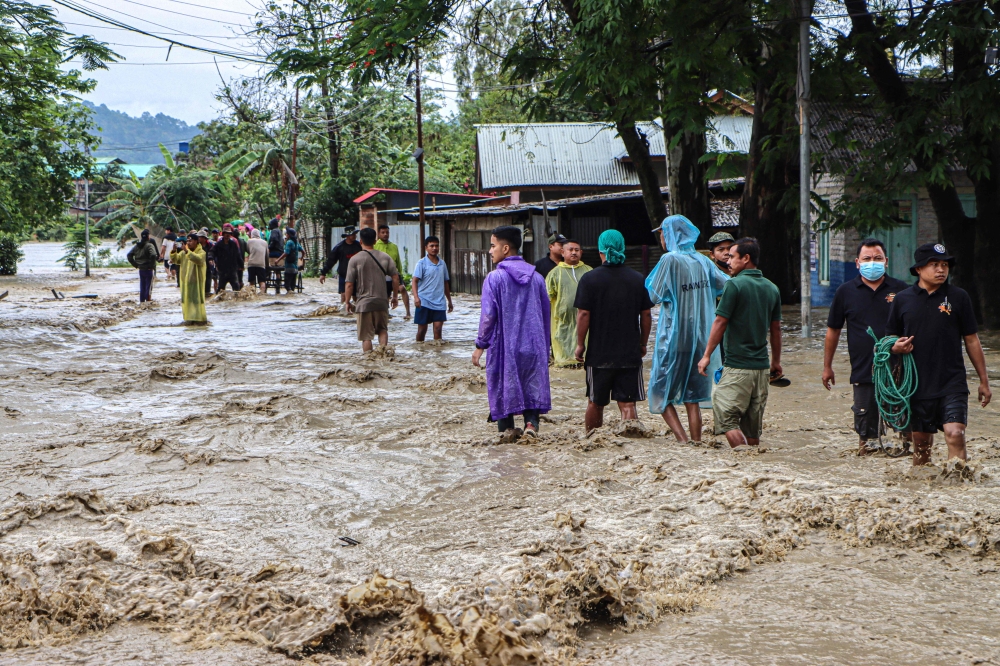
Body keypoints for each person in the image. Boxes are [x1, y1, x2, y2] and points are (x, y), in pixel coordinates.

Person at [886, 243, 991, 466]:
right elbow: (889, 339)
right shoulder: (902, 299)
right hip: (915, 384)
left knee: (955, 433)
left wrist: (984, 380)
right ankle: (924, 494)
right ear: (918, 269)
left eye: (944, 265)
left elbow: (971, 339)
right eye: (934, 265)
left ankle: (958, 487)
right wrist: (895, 347)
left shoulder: (959, 297)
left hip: (951, 381)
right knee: (921, 444)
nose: (941, 270)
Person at [646, 216, 729, 443]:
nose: (661, 238)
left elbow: (652, 295)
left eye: (663, 233)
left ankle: (682, 441)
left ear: (672, 234)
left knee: (659, 393)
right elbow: (726, 285)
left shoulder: (669, 260)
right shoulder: (702, 261)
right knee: (692, 397)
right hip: (702, 339)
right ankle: (697, 442)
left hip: (673, 338)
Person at [823, 238, 910, 455]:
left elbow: (914, 327)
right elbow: (833, 330)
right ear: (857, 262)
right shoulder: (845, 291)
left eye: (877, 258)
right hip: (863, 371)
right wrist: (827, 367)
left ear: (886, 261)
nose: (873, 262)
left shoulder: (903, 290)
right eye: (867, 258)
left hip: (900, 370)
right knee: (866, 435)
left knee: (906, 427)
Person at [697, 237, 782, 449]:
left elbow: (720, 321)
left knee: (726, 418)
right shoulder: (772, 288)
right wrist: (776, 363)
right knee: (752, 429)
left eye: (733, 257)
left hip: (737, 367)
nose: (728, 261)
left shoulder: (733, 285)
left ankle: (743, 460)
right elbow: (776, 330)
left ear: (746, 259)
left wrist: (707, 355)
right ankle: (753, 466)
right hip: (761, 369)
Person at [473, 225, 551, 438]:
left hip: (505, 347)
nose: (490, 251)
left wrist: (480, 345)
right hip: (534, 346)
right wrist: (546, 347)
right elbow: (546, 316)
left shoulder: (494, 278)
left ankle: (507, 433)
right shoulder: (537, 278)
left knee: (502, 388)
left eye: (493, 245)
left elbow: (488, 316)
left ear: (505, 248)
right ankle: (531, 425)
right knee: (531, 387)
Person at [573, 229, 652, 431]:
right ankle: (632, 442)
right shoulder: (637, 279)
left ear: (601, 252)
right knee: (628, 403)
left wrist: (580, 344)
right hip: (629, 352)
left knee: (595, 402)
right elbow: (646, 315)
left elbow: (583, 315)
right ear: (622, 249)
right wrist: (643, 343)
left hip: (599, 354)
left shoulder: (589, 279)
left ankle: (592, 441)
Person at [345, 227, 400, 351]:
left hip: (364, 303)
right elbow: (395, 277)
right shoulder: (385, 257)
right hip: (381, 301)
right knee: (382, 330)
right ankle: (384, 354)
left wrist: (347, 302)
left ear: (360, 242)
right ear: (375, 241)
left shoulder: (355, 259)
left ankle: (369, 363)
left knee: (366, 336)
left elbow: (349, 284)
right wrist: (395, 297)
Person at [545, 239, 591, 366]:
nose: (574, 252)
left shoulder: (589, 271)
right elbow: (545, 299)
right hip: (562, 322)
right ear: (562, 252)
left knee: (586, 360)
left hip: (586, 320)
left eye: (576, 250)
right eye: (570, 250)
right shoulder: (554, 274)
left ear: (581, 252)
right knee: (564, 362)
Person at [412, 235, 453, 341]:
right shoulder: (421, 263)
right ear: (426, 247)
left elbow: (445, 283)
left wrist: (449, 301)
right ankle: (419, 351)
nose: (434, 248)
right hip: (424, 301)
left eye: (436, 246)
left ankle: (438, 354)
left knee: (438, 329)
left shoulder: (442, 264)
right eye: (432, 246)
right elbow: (414, 281)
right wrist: (416, 297)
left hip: (439, 302)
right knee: (422, 330)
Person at [374, 224, 412, 319]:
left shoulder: (394, 246)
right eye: (383, 232)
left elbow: (398, 261)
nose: (385, 234)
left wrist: (401, 274)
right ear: (378, 234)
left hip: (395, 273)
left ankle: (408, 312)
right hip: (381, 275)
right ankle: (386, 313)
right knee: (385, 294)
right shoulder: (375, 246)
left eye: (387, 232)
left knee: (402, 288)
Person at [320, 226, 362, 307]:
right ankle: (343, 313)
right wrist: (323, 273)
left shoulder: (359, 246)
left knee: (357, 297)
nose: (354, 236)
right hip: (344, 275)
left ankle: (357, 313)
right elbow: (331, 261)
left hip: (357, 275)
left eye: (355, 234)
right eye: (352, 234)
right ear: (347, 236)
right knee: (344, 296)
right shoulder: (339, 247)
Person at [175, 234, 207, 324]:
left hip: (197, 283)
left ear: (196, 241)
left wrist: (187, 252)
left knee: (197, 302)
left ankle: (200, 320)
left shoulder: (202, 252)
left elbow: (198, 259)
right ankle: (189, 320)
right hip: (186, 283)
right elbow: (176, 260)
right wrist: (174, 251)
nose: (188, 243)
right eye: (187, 241)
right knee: (188, 302)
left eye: (190, 241)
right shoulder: (184, 253)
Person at [126, 229, 159, 303]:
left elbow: (129, 255)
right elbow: (153, 254)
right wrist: (152, 265)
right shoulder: (149, 245)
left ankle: (142, 301)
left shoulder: (137, 246)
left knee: (142, 286)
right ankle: (148, 302)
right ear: (148, 237)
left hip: (141, 269)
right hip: (149, 269)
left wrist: (135, 264)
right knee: (149, 287)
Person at [213, 223, 244, 293]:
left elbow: (238, 255)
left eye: (229, 234)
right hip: (222, 270)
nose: (227, 235)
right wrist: (212, 260)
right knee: (221, 289)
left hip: (232, 269)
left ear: (231, 235)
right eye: (226, 234)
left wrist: (241, 265)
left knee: (236, 289)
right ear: (223, 234)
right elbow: (213, 252)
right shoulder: (219, 244)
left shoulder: (233, 244)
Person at [277, 228, 303, 295]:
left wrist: (278, 260)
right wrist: (302, 257)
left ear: (289, 235)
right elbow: (303, 251)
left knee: (287, 285)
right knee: (292, 286)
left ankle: (289, 293)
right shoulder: (296, 243)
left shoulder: (289, 242)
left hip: (289, 266)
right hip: (295, 267)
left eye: (287, 234)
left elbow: (286, 253)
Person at [246, 229, 269, 294]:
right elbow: (266, 256)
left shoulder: (249, 241)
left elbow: (248, 251)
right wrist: (267, 266)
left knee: (252, 282)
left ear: (252, 234)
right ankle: (262, 294)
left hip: (251, 264)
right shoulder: (265, 242)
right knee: (262, 282)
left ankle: (252, 295)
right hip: (261, 264)